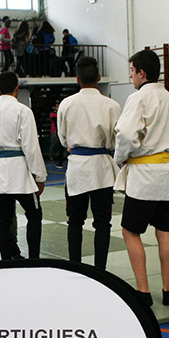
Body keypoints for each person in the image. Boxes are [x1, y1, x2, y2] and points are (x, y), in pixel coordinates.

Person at [114, 49, 169, 306]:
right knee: (164, 232)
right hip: (168, 172)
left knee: (130, 231)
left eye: (132, 72)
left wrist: (120, 156)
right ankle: (168, 291)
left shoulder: (139, 97)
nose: (131, 76)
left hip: (144, 174)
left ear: (142, 73)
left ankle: (143, 292)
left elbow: (125, 134)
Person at [57, 56, 121, 270]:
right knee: (102, 222)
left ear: (78, 79)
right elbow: (117, 139)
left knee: (75, 220)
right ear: (99, 77)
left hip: (77, 166)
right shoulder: (112, 105)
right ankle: (100, 269)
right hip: (102, 166)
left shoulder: (67, 104)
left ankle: (75, 266)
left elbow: (63, 138)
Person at [0, 71, 47, 259]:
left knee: (3, 219)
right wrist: (40, 176)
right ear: (17, 88)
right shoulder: (23, 111)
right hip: (20, 169)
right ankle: (33, 259)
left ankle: (6, 260)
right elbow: (31, 147)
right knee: (34, 214)